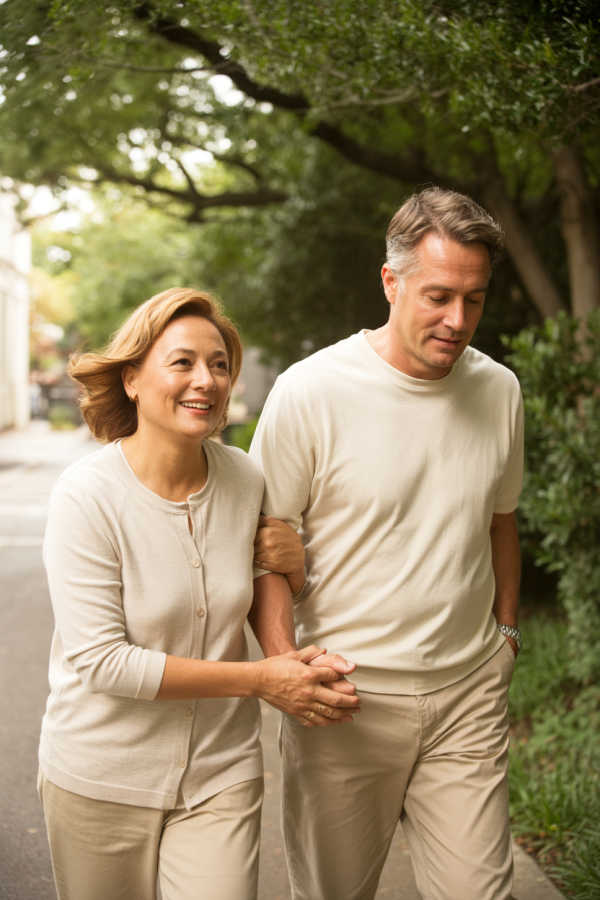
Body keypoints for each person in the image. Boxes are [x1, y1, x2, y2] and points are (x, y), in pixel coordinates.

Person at [38, 287, 359, 900]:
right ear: (132, 378)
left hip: (221, 774)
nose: (206, 381)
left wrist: (297, 570)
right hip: (101, 779)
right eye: (182, 362)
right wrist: (262, 679)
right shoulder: (87, 496)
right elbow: (103, 662)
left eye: (219, 365)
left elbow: (267, 574)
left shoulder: (244, 476)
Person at [250, 187, 524, 900]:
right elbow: (262, 550)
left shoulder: (499, 391)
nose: (457, 320)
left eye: (474, 298)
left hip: (467, 693)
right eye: (438, 296)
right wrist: (287, 669)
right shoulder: (309, 392)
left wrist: (507, 634)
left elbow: (501, 520)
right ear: (390, 281)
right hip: (345, 702)